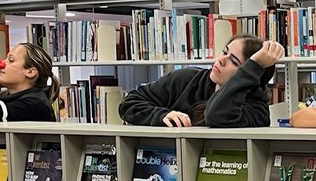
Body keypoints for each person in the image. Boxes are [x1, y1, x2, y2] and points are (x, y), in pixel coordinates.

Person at [118, 36, 283, 128]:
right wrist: (162, 115)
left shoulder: (257, 111)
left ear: (250, 75)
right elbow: (129, 104)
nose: (220, 60)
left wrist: (254, 65)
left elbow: (216, 115)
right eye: (224, 52)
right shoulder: (186, 79)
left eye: (233, 61)